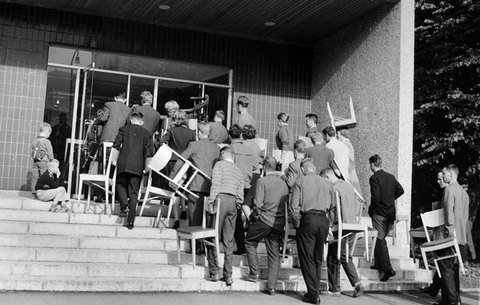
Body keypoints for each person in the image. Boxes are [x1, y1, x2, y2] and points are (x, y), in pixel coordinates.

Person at [169, 122, 220, 253]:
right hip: (212, 186)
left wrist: (173, 177)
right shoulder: (216, 148)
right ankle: (208, 248)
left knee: (194, 218)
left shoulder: (194, 145)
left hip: (196, 184)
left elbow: (181, 160)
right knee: (209, 219)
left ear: (199, 132)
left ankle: (196, 247)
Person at [290, 158, 334, 304]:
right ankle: (313, 289)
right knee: (317, 257)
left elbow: (294, 206)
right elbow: (333, 205)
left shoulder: (300, 181)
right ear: (314, 168)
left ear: (303, 170)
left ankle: (313, 293)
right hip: (323, 220)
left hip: (308, 219)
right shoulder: (327, 183)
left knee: (306, 257)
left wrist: (297, 222)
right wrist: (330, 224)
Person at [243, 156, 289, 295]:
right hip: (278, 222)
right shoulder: (284, 183)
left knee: (250, 241)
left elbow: (257, 204)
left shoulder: (261, 181)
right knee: (274, 254)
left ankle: (254, 272)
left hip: (264, 219)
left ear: (264, 167)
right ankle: (271, 286)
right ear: (275, 167)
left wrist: (254, 219)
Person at [320, 167, 364, 298]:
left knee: (333, 257)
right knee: (345, 256)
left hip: (339, 226)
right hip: (352, 225)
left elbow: (333, 210)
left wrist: (328, 226)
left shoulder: (333, 188)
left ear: (327, 177)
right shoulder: (348, 186)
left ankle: (334, 288)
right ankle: (356, 282)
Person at [205, 145, 244, 286]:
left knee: (213, 235)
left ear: (223, 153)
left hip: (220, 199)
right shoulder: (238, 170)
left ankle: (214, 271)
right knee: (229, 239)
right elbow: (240, 192)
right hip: (233, 202)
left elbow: (215, 184)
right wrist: (237, 203)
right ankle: (228, 275)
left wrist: (211, 201)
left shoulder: (219, 165)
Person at [435, 164, 469, 305]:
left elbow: (448, 215)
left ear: (451, 174)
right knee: (453, 268)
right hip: (461, 234)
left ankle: (452, 301)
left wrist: (448, 232)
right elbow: (465, 216)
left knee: (445, 266)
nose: (443, 176)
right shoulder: (464, 192)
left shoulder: (449, 189)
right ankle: (452, 299)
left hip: (450, 235)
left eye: (444, 173)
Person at [113, 111, 153, 230]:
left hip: (124, 163)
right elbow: (148, 152)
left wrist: (114, 161)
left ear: (131, 119)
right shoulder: (147, 133)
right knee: (134, 192)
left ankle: (124, 205)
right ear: (142, 122)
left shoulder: (123, 129)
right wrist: (146, 168)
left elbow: (116, 145)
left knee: (120, 184)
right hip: (138, 165)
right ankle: (131, 221)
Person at [368, 154, 404, 282]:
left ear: (372, 164)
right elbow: (401, 190)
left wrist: (371, 209)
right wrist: (389, 199)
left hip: (380, 213)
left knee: (379, 240)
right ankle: (378, 264)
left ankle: (387, 269)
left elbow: (375, 197)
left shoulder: (374, 178)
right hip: (390, 213)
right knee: (380, 239)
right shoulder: (391, 177)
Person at [161, 110, 197, 229]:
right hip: (186, 162)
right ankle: (183, 209)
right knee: (183, 187)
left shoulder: (171, 131)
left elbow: (160, 141)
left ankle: (176, 218)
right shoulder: (191, 133)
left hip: (173, 161)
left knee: (174, 189)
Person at [229, 124, 257, 254]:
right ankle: (245, 242)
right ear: (240, 135)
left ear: (230, 136)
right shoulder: (249, 150)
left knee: (236, 216)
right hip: (247, 184)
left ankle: (240, 244)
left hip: (235, 184)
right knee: (241, 214)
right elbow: (254, 166)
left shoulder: (230, 150)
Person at [336, 128, 362, 197]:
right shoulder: (347, 143)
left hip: (349, 170)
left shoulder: (345, 144)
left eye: (337, 134)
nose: (336, 136)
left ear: (342, 134)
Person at [31, 123, 54, 195]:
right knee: (44, 176)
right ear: (47, 133)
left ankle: (34, 191)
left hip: (35, 161)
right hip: (44, 161)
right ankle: (42, 191)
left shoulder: (35, 141)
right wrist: (51, 161)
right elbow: (50, 153)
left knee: (35, 176)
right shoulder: (47, 142)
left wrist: (32, 159)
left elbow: (32, 150)